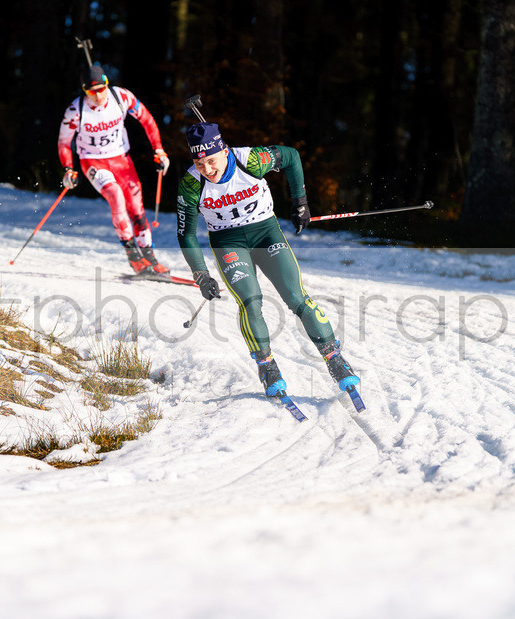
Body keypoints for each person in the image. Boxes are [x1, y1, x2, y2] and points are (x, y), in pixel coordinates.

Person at [175, 121, 360, 398]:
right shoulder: (191, 183)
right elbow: (186, 234)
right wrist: (201, 274)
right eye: (199, 164)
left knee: (297, 297)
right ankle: (267, 367)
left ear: (224, 151)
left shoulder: (250, 159)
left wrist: (300, 203)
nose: (207, 170)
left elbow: (291, 157)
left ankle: (335, 358)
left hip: (266, 233)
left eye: (211, 161)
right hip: (228, 241)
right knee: (250, 301)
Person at [57, 64, 171, 275]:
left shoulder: (121, 97)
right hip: (93, 162)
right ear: (84, 90)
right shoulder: (76, 110)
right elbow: (64, 143)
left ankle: (150, 257)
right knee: (115, 195)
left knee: (137, 209)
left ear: (107, 85)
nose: (98, 96)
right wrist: (68, 168)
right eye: (92, 91)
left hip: (121, 160)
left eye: (101, 89)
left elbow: (147, 120)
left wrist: (159, 150)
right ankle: (133, 256)